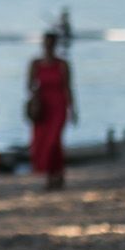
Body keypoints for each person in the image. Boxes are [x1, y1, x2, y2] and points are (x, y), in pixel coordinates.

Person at [25, 31, 74, 189]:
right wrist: (34, 100)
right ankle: (50, 176)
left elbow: (68, 87)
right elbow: (29, 85)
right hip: (43, 107)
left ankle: (58, 174)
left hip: (59, 106)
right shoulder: (35, 64)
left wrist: (73, 109)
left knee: (54, 141)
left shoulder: (62, 64)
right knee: (42, 141)